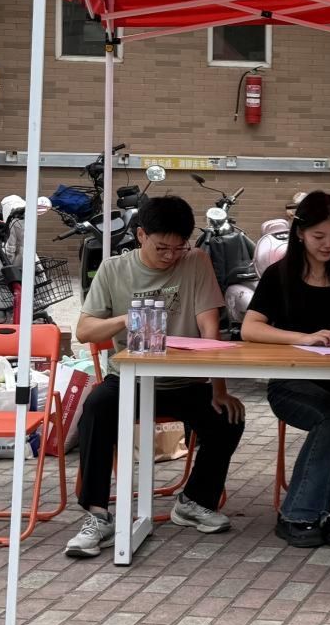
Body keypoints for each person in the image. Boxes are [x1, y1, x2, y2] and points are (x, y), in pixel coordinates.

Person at [66, 195, 246, 558]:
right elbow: (84, 331)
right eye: (162, 247)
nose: (170, 256)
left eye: (178, 248)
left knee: (227, 418)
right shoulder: (114, 269)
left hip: (184, 380)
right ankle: (98, 514)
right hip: (129, 380)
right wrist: (126, 319)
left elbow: (210, 329)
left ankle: (194, 501)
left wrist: (219, 388)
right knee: (96, 410)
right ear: (141, 235)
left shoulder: (195, 261)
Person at [241, 191, 330, 548]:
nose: (328, 244)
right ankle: (299, 513)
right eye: (318, 236)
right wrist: (305, 338)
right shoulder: (280, 275)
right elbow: (251, 328)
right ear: (300, 233)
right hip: (291, 385)